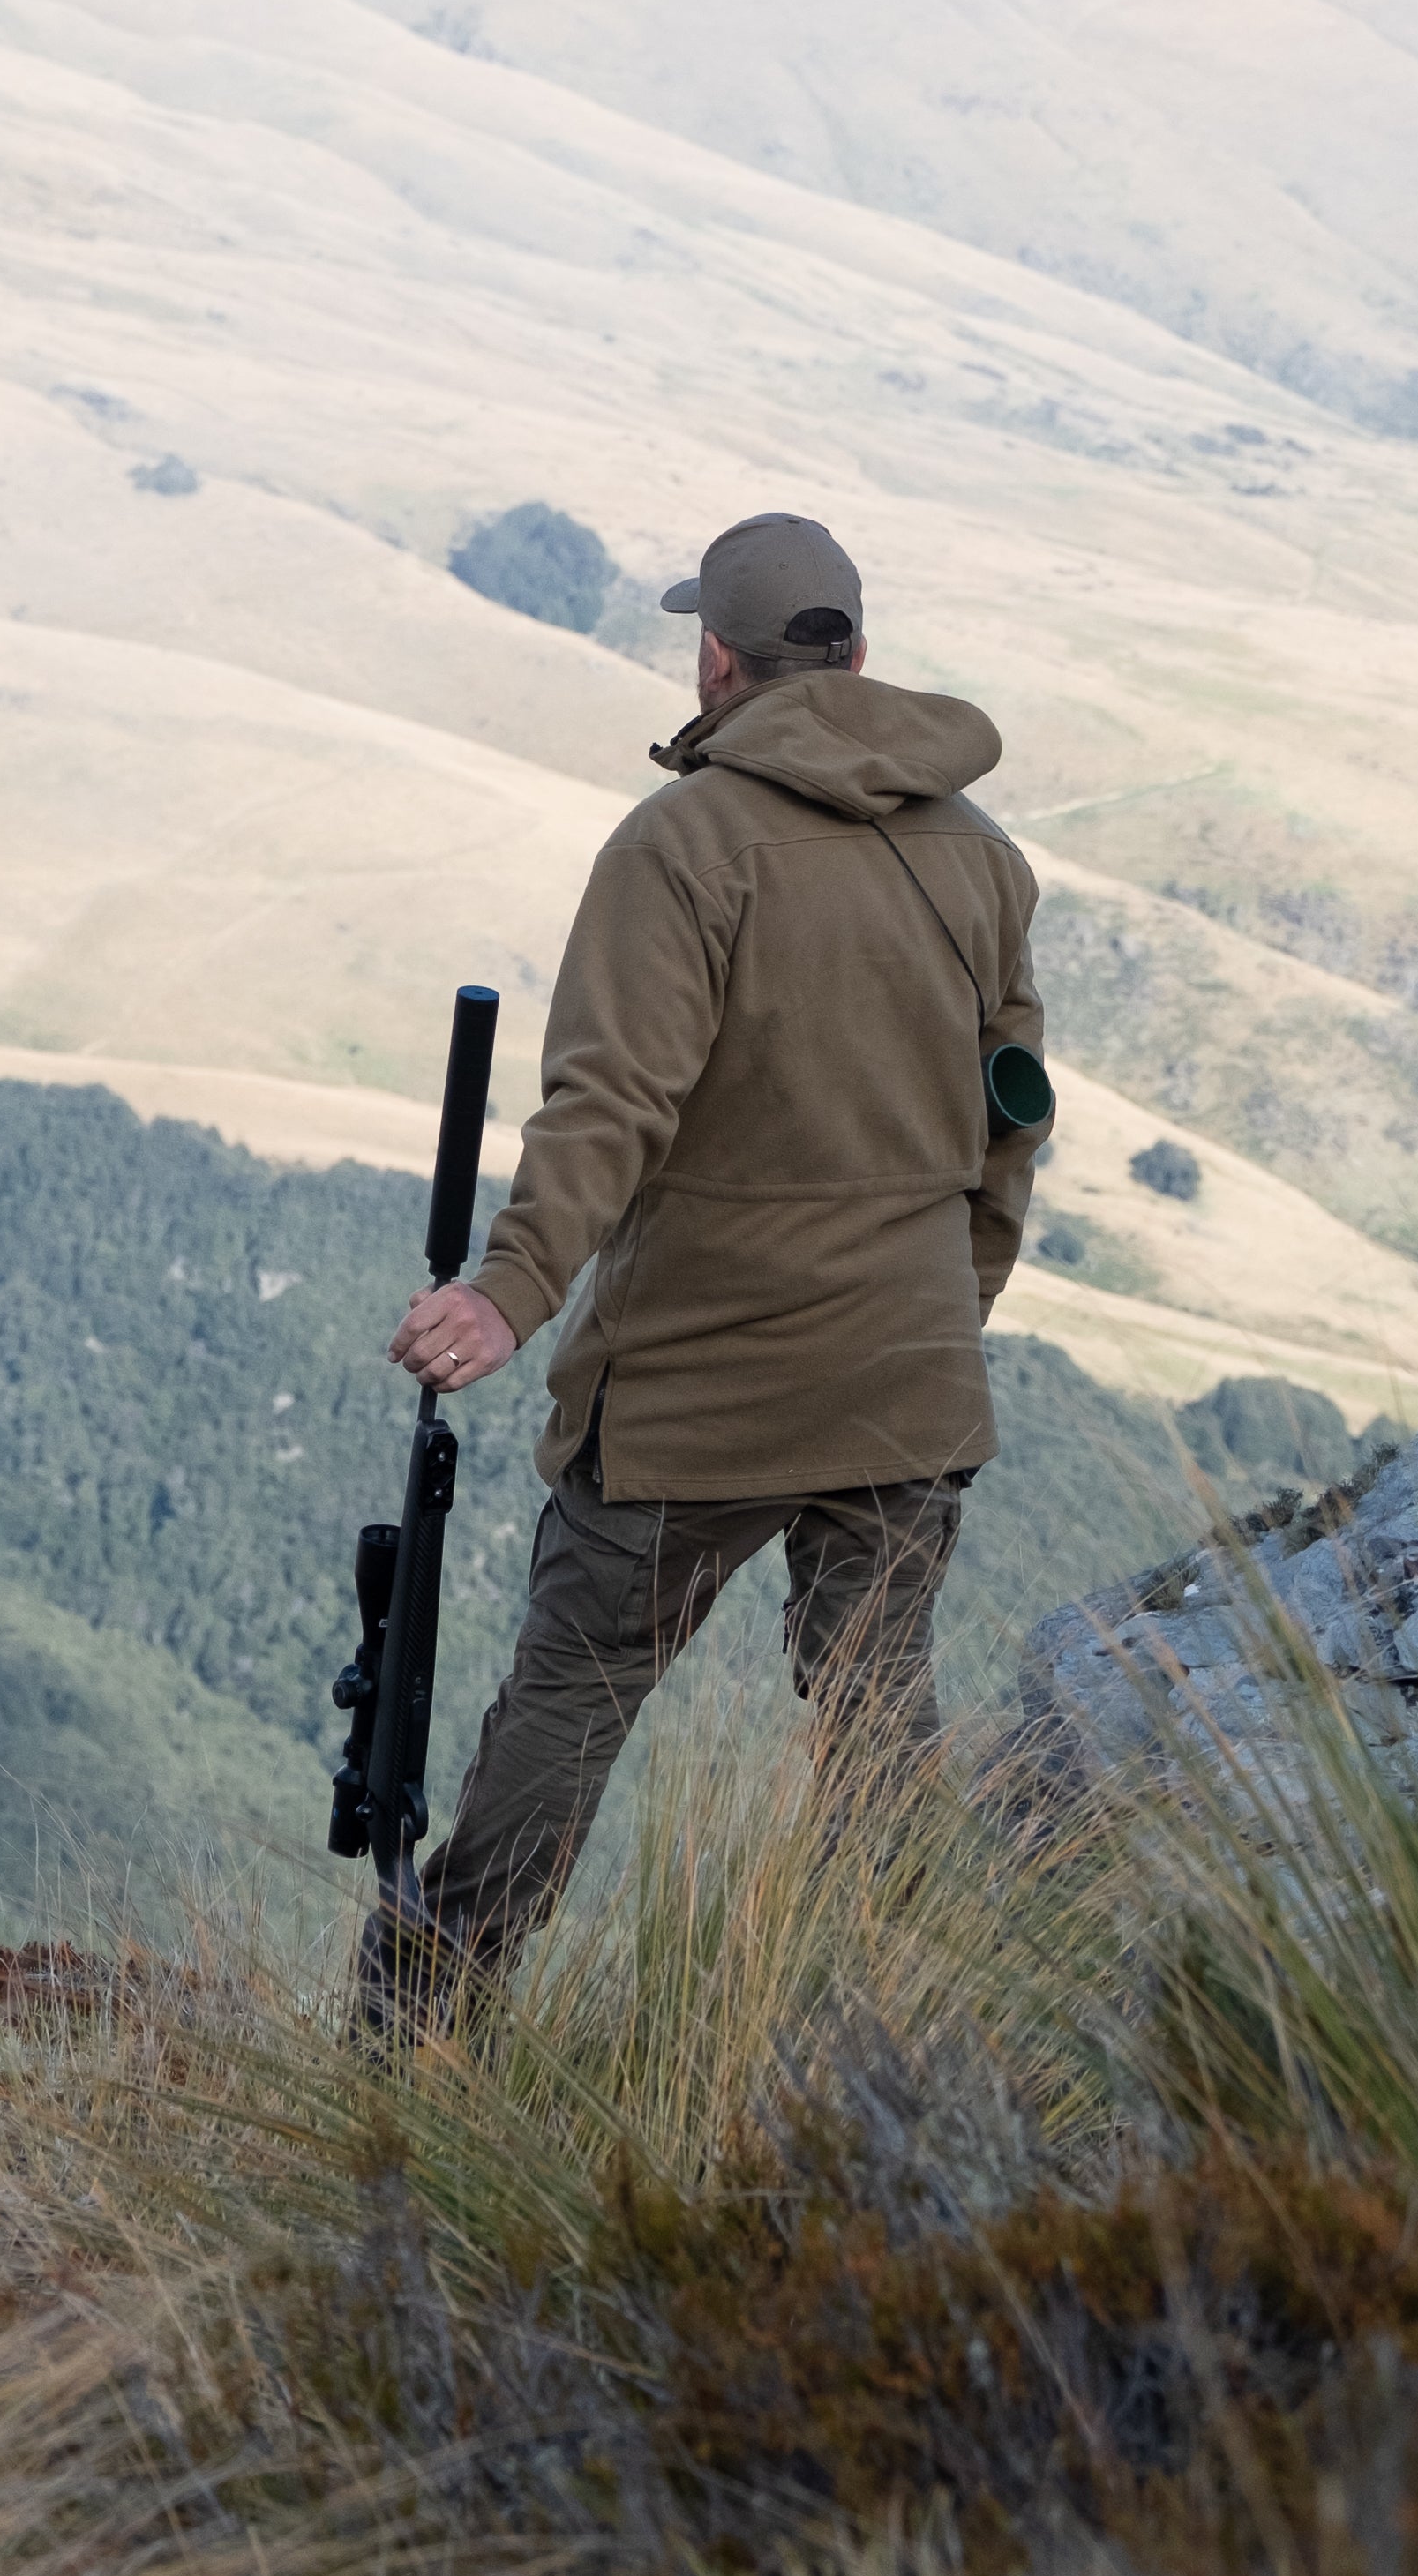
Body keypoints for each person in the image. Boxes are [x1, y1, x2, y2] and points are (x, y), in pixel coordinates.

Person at [376, 507, 1045, 1996]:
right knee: (878, 1717)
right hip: (907, 1378)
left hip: (695, 1390)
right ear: (859, 654)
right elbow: (1013, 1122)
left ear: (716, 662)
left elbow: (612, 1099)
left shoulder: (681, 846)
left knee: (569, 1707)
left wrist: (511, 1292)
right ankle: (920, 2027)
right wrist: (952, 1302)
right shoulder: (983, 859)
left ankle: (421, 2027)